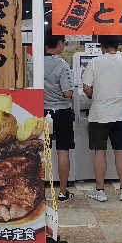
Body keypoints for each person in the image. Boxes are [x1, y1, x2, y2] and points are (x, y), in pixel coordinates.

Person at [82, 36, 122, 202]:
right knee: (120, 150)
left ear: (102, 46)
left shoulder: (95, 62)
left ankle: (100, 191)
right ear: (117, 45)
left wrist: (95, 95)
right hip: (121, 113)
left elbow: (86, 87)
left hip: (99, 114)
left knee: (100, 151)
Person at [44, 32, 75, 202]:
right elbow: (68, 92)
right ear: (59, 44)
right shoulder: (62, 65)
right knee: (62, 150)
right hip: (61, 112)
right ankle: (62, 192)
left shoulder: (35, 62)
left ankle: (38, 191)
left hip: (41, 111)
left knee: (40, 151)